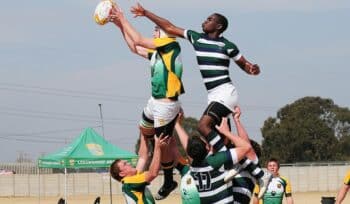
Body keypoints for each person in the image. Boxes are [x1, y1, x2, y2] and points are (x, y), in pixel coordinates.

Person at [129, 3, 271, 198]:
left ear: (219, 26)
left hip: (226, 92)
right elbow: (169, 27)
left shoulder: (227, 45)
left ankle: (234, 164)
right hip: (213, 96)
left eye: (210, 19)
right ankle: (257, 173)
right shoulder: (196, 37)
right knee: (207, 130)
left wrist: (253, 69)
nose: (205, 21)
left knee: (203, 126)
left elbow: (245, 65)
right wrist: (145, 13)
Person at [108, 6, 185, 200]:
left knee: (163, 144)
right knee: (144, 130)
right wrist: (119, 26)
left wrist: (123, 19)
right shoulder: (158, 54)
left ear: (166, 35)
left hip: (166, 105)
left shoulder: (171, 45)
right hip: (154, 102)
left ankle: (168, 180)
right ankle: (155, 154)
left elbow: (140, 40)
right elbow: (135, 47)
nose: (154, 31)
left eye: (156, 29)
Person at [110, 135, 169, 204]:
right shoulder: (129, 182)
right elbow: (153, 173)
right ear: (122, 173)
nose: (128, 163)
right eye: (125, 164)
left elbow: (143, 157)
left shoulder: (131, 180)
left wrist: (143, 132)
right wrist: (157, 147)